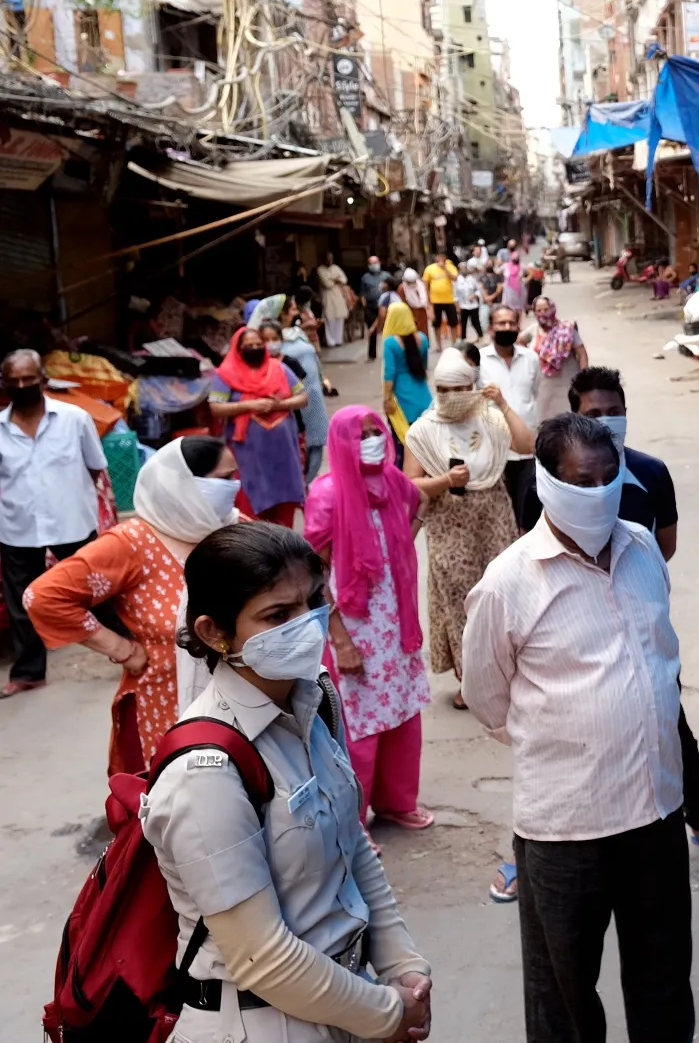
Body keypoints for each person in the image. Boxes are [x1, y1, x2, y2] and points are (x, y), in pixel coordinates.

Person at [143, 521, 434, 1041]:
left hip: (350, 1000)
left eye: (312, 601)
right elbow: (263, 958)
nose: (307, 624)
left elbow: (354, 849)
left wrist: (402, 967)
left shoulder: (316, 697)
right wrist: (387, 1015)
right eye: (277, 615)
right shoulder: (204, 773)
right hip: (263, 1023)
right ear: (214, 632)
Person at [463, 414, 694, 1043]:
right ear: (546, 484)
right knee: (562, 995)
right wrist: (571, 739)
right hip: (567, 829)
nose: (597, 492)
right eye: (580, 481)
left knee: (665, 981)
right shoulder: (507, 582)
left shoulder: (643, 550)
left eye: (607, 477)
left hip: (656, 812)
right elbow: (486, 698)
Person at [566, 366, 699, 862]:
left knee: (670, 723)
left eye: (615, 412)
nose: (607, 422)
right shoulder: (554, 482)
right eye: (594, 414)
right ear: (574, 418)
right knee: (574, 732)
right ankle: (548, 841)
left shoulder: (650, 473)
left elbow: (664, 546)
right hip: (576, 634)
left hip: (646, 627)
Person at [24, 436, 236, 768]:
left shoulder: (233, 529)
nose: (234, 487)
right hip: (166, 704)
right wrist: (120, 648)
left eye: (234, 476)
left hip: (240, 700)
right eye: (223, 480)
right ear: (182, 484)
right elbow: (44, 596)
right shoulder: (134, 543)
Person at [307, 407, 436, 831]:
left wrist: (402, 542)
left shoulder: (394, 482)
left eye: (375, 431)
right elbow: (313, 575)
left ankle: (398, 802)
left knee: (401, 712)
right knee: (358, 724)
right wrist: (340, 640)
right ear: (341, 442)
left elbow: (421, 501)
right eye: (360, 435)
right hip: (355, 626)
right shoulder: (327, 494)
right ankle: (353, 822)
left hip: (396, 623)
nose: (372, 440)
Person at [405, 348, 534, 701]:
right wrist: (445, 480)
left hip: (493, 519)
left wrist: (504, 405)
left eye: (459, 389)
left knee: (502, 593)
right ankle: (469, 682)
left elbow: (526, 444)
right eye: (444, 391)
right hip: (450, 526)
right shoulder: (424, 430)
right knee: (460, 600)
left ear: (472, 386)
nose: (452, 398)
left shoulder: (491, 420)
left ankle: (507, 672)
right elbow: (408, 483)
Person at [0, 350, 110, 698]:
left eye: (28, 379)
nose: (21, 386)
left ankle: (130, 646)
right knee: (23, 604)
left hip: (72, 520)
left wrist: (74, 499)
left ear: (43, 380)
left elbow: (96, 466)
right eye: (14, 381)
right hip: (18, 526)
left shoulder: (75, 418)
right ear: (4, 384)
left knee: (99, 590)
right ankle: (29, 672)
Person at [210, 327, 308, 528]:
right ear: (238, 349)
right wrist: (250, 406)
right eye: (249, 346)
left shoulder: (278, 368)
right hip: (249, 455)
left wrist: (280, 404)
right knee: (251, 503)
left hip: (283, 452)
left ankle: (283, 545)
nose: (255, 348)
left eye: (258, 344)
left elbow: (303, 397)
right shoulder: (226, 374)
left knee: (284, 501)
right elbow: (216, 408)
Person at [251, 298, 331, 483]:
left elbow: (303, 391)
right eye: (292, 309)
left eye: (274, 339)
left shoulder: (291, 356)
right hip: (279, 423)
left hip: (300, 415)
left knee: (304, 459)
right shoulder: (262, 361)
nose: (296, 312)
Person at [479, 305, 544, 530]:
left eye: (511, 323)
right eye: (501, 323)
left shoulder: (531, 359)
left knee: (529, 512)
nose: (507, 327)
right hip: (495, 452)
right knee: (501, 515)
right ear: (490, 328)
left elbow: (534, 394)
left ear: (518, 327)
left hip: (528, 449)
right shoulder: (479, 361)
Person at [528, 295, 589, 425]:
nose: (542, 313)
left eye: (546, 309)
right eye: (538, 311)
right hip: (544, 388)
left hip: (568, 385)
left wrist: (584, 379)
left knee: (571, 422)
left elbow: (582, 354)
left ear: (553, 309)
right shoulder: (533, 330)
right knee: (546, 424)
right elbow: (518, 344)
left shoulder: (567, 329)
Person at [380, 299, 431, 446]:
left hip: (402, 400)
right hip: (424, 398)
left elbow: (389, 374)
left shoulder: (390, 343)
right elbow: (424, 365)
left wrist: (387, 400)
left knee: (403, 445)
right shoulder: (422, 338)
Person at [422, 250, 460, 344]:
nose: (440, 259)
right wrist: (428, 300)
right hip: (435, 300)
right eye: (439, 256)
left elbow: (455, 278)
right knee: (436, 324)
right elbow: (425, 284)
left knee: (453, 323)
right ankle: (439, 344)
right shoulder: (429, 269)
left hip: (449, 299)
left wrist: (445, 269)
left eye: (442, 257)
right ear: (436, 258)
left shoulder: (450, 267)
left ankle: (454, 343)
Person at [316, 252, 352, 347]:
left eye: (331, 258)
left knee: (339, 318)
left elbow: (344, 279)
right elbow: (327, 284)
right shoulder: (320, 270)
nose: (329, 260)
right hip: (327, 296)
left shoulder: (336, 268)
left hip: (338, 295)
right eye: (327, 258)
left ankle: (338, 340)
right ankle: (330, 341)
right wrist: (336, 279)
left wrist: (334, 280)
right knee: (329, 318)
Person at [359, 255, 390, 360]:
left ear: (379, 263)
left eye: (375, 262)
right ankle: (372, 354)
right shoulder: (365, 278)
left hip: (385, 306)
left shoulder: (386, 276)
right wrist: (365, 307)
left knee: (388, 329)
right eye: (371, 263)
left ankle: (389, 352)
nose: (373, 265)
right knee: (372, 330)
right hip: (371, 307)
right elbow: (362, 294)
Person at [454, 261, 485, 340]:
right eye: (461, 268)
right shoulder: (458, 280)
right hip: (463, 305)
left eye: (465, 268)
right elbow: (455, 294)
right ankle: (463, 338)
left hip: (473, 305)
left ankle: (480, 336)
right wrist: (457, 305)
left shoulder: (472, 279)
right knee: (463, 322)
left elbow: (479, 290)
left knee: (475, 321)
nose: (463, 270)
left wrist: (475, 295)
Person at [398, 266, 430, 338]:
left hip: (422, 313)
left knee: (424, 333)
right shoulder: (402, 289)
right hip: (410, 313)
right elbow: (403, 304)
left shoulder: (420, 285)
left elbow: (424, 299)